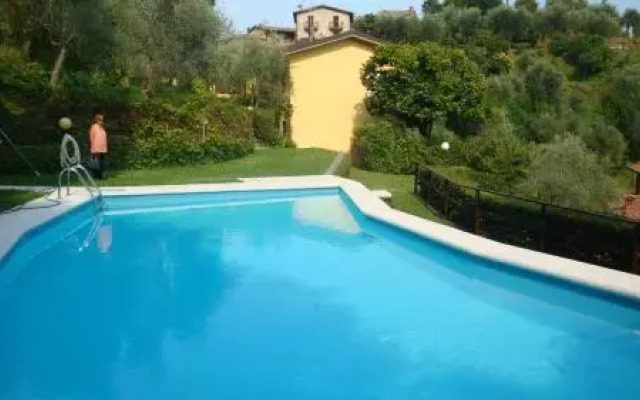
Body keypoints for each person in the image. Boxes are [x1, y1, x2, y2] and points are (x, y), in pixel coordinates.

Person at [89, 113, 108, 179]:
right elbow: (91, 138)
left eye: (102, 120)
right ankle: (95, 176)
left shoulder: (102, 128)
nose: (101, 121)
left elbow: (104, 139)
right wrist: (93, 149)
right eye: (100, 120)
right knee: (96, 163)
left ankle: (100, 176)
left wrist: (105, 148)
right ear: (96, 120)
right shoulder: (94, 127)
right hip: (96, 149)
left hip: (102, 149)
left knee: (102, 163)